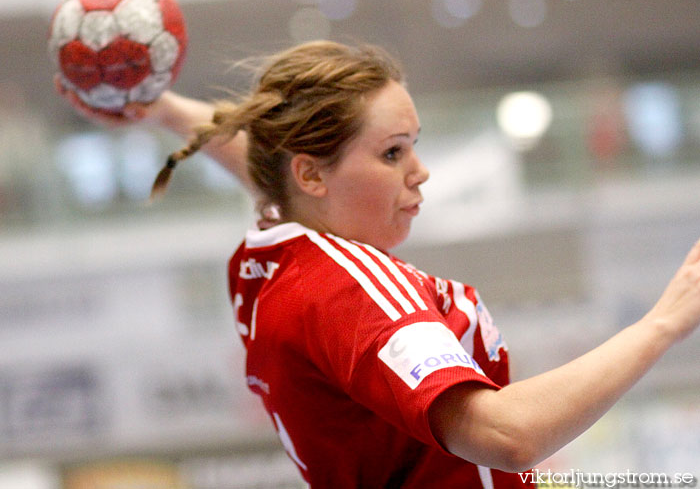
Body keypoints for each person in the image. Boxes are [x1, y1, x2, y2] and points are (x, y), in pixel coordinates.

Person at [56, 40, 700, 488]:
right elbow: (507, 435)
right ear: (310, 173)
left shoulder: (279, 255)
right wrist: (666, 322)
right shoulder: (351, 291)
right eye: (392, 153)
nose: (419, 173)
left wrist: (164, 109)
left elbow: (267, 159)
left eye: (413, 146)